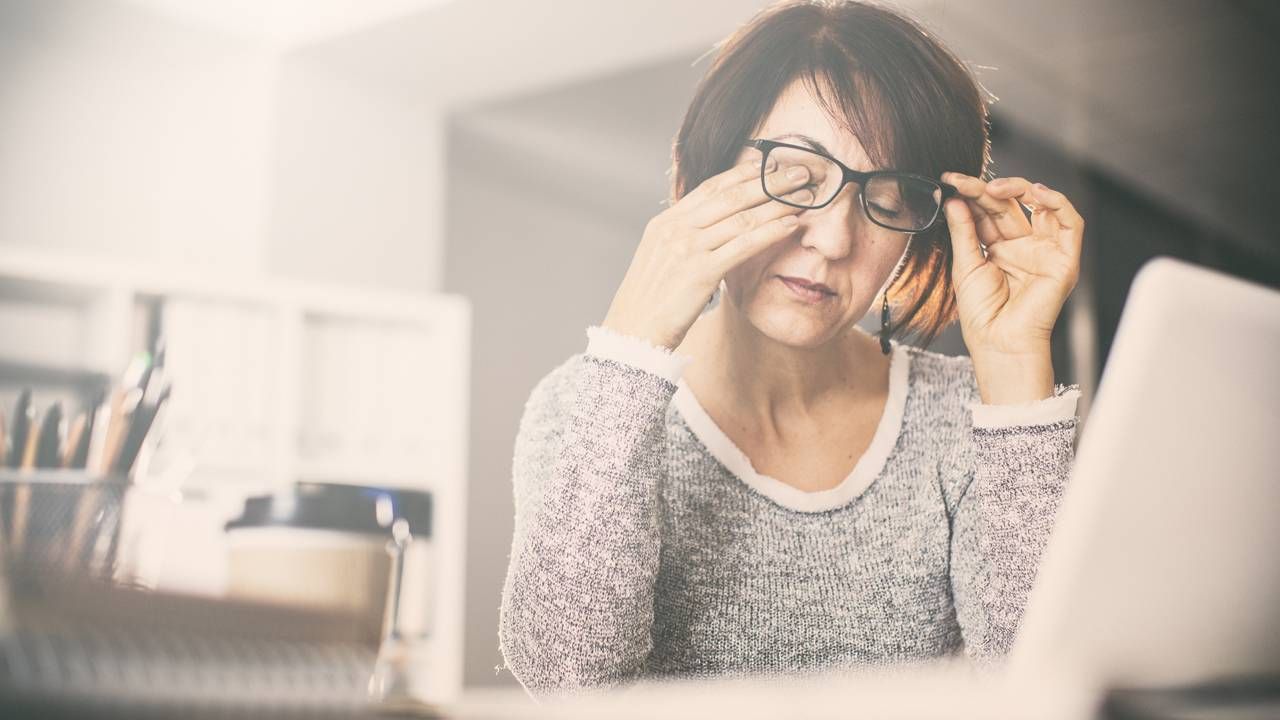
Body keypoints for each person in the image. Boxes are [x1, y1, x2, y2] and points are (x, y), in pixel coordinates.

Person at [498, 0, 1085, 698]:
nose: (834, 240)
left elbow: (1046, 686)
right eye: (797, 175)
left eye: (889, 197)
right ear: (704, 173)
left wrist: (1016, 369)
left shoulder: (962, 415)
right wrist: (630, 349)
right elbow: (568, 680)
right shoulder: (581, 404)